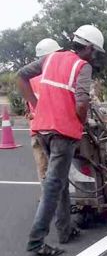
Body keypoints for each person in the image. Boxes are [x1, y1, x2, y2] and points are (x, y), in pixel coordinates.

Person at [17, 25, 105, 256]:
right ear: (86, 47)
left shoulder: (51, 59)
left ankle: (65, 230)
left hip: (43, 129)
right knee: (53, 185)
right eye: (94, 51)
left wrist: (37, 106)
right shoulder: (82, 66)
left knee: (60, 180)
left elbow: (21, 76)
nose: (93, 56)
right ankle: (36, 242)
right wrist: (81, 122)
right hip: (62, 134)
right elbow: (82, 102)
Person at [28, 38, 63, 183]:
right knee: (56, 170)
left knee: (44, 169)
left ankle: (47, 199)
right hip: (52, 131)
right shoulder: (53, 77)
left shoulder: (30, 79)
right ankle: (51, 202)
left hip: (37, 131)